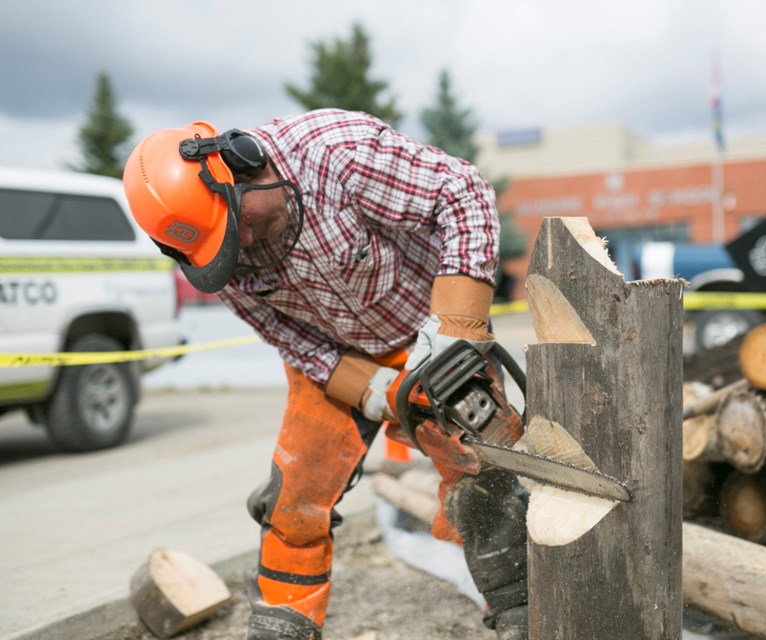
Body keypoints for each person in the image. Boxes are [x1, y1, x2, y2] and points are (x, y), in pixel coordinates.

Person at [123, 109, 529, 640]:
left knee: (482, 479)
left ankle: (524, 614)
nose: (242, 245)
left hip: (431, 330)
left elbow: (462, 192)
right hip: (333, 358)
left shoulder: (335, 153)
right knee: (294, 500)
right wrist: (365, 388)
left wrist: (458, 324)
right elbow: (286, 336)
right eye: (226, 244)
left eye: (240, 225)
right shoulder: (225, 255)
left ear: (243, 165)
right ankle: (281, 626)